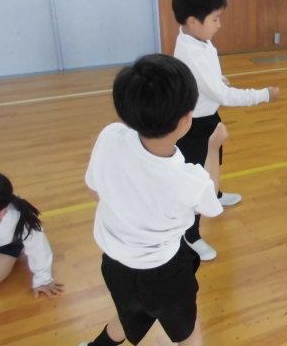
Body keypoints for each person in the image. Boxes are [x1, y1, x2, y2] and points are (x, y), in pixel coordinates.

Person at [80, 54, 225, 346]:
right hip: (165, 273)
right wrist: (212, 147)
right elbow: (212, 204)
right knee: (188, 331)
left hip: (115, 264)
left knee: (129, 311)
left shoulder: (110, 136)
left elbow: (94, 189)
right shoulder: (187, 179)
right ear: (186, 120)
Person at [173, 0, 279, 260]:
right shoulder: (192, 51)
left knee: (215, 160)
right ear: (193, 21)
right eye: (215, 19)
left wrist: (215, 80)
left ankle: (216, 193)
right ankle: (191, 235)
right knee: (198, 177)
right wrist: (263, 95)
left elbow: (207, 80)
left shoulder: (198, 39)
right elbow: (224, 96)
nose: (219, 24)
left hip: (207, 115)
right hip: (194, 125)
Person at [0, 169, 63, 298]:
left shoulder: (20, 221)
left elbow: (39, 248)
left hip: (7, 244)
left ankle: (16, 252)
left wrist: (43, 279)